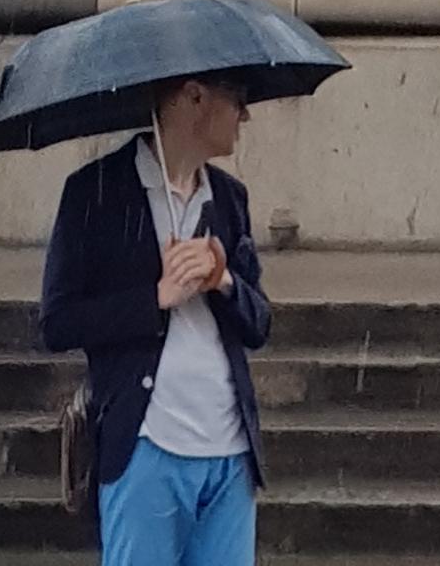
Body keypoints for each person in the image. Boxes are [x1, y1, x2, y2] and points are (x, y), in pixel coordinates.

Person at [40, 71, 271, 566]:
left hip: (229, 449)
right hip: (146, 443)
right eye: (237, 98)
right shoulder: (95, 192)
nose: (245, 115)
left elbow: (259, 324)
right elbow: (58, 322)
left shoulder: (229, 198)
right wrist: (155, 298)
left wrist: (224, 280)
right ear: (195, 96)